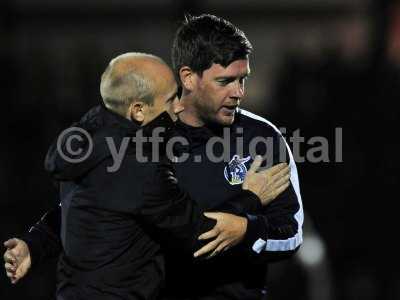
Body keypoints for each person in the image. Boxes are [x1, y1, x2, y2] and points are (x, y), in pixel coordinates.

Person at [4, 14, 303, 299]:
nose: (239, 92)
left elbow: (292, 232)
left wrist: (250, 233)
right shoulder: (146, 141)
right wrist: (37, 243)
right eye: (225, 81)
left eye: (243, 79)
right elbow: (98, 202)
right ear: (188, 77)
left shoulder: (261, 138)